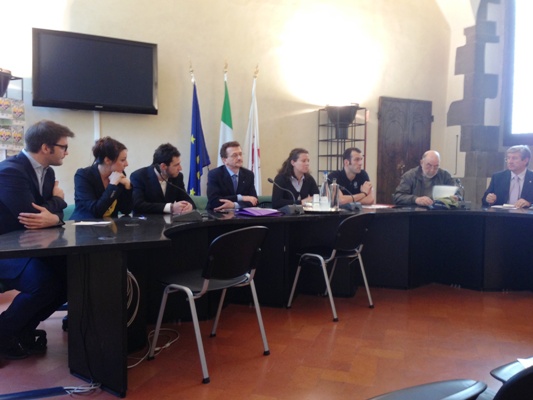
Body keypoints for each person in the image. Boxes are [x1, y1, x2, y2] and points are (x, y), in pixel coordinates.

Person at [0, 119, 74, 359]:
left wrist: (54, 214)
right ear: (45, 147)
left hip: (30, 247)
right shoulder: (10, 171)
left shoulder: (48, 172)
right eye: (63, 147)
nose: (66, 152)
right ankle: (4, 333)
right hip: (6, 250)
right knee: (43, 284)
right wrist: (58, 201)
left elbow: (49, 218)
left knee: (70, 279)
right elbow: (30, 216)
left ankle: (21, 331)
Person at [70, 137, 133, 220]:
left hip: (110, 225)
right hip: (85, 224)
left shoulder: (119, 174)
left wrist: (128, 187)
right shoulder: (83, 175)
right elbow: (96, 211)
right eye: (122, 160)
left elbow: (126, 210)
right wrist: (112, 185)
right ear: (107, 160)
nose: (127, 164)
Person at [131, 143, 196, 215]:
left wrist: (189, 206)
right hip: (146, 220)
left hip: (170, 221)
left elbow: (186, 199)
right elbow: (138, 205)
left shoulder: (178, 177)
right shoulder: (139, 176)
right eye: (176, 165)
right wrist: (171, 207)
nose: (180, 168)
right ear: (163, 166)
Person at [207, 141, 258, 211]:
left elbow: (254, 201)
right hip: (218, 214)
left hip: (242, 215)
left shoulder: (248, 174)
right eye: (234, 155)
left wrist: (234, 205)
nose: (239, 158)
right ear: (224, 160)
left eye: (240, 154)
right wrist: (241, 198)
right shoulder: (215, 174)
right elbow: (214, 201)